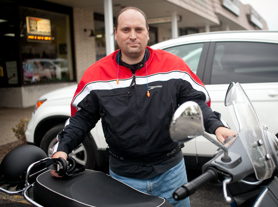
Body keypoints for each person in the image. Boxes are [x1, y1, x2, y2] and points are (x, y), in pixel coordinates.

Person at [51, 6, 236, 207]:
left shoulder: (174, 67)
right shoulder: (96, 76)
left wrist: (217, 126)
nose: (133, 36)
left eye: (138, 30)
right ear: (115, 33)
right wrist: (63, 148)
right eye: (126, 30)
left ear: (147, 32)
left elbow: (197, 104)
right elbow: (82, 118)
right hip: (123, 177)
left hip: (171, 173)